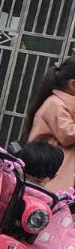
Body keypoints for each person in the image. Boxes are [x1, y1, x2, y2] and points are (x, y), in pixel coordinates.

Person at [26, 56, 75, 193]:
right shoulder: (55, 104)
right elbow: (68, 134)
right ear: (73, 84)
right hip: (48, 172)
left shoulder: (66, 105)